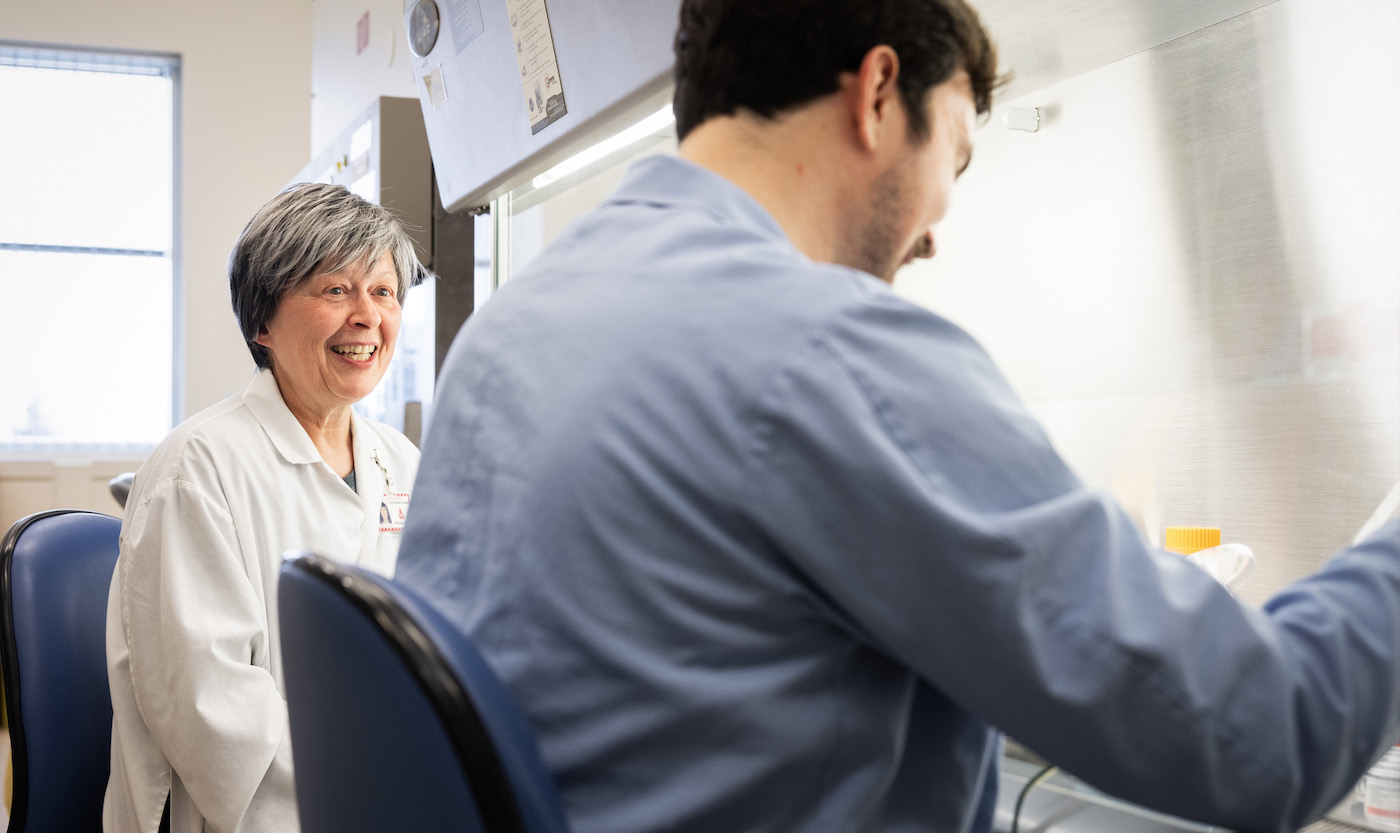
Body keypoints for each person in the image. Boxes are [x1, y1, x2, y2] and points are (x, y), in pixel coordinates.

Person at [396, 1, 1400, 831]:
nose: (936, 230)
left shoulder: (503, 334)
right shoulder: (826, 349)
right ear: (876, 93)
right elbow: (1264, 734)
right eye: (954, 155)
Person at [105, 183, 427, 833]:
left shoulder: (401, 460)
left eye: (384, 291)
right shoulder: (199, 465)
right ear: (263, 322)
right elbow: (217, 715)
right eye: (336, 289)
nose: (366, 315)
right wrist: (375, 785)